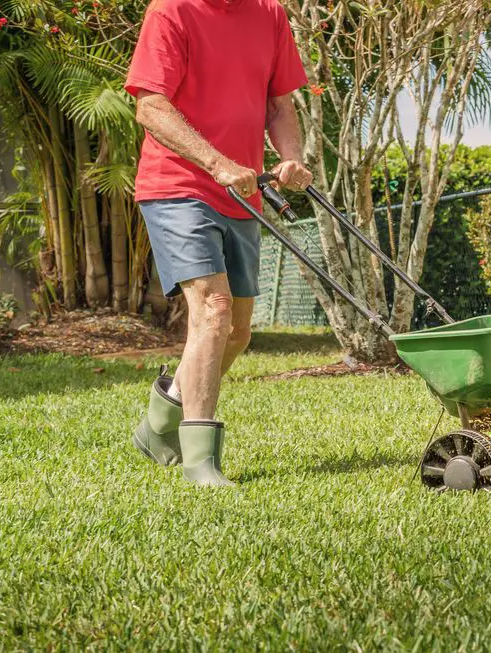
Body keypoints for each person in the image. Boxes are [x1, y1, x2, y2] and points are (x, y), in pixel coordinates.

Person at [125, 0, 311, 486]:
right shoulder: (172, 12)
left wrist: (290, 158)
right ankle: (199, 460)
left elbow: (279, 105)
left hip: (242, 193)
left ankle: (160, 420)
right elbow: (150, 105)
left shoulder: (269, 14)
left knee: (237, 332)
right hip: (178, 187)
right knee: (214, 308)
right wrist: (216, 163)